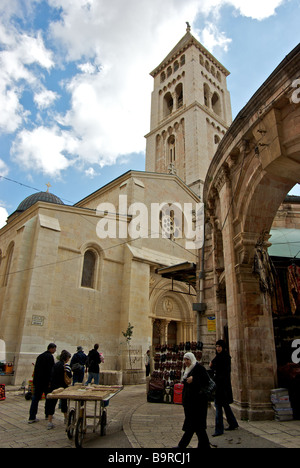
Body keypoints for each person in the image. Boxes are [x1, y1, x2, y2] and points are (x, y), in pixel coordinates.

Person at [176, 352, 211, 449]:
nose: (186, 361)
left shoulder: (199, 368)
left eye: (188, 359)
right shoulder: (187, 370)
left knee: (192, 426)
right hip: (190, 402)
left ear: (192, 359)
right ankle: (204, 445)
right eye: (185, 359)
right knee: (197, 427)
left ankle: (182, 445)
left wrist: (194, 379)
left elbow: (206, 380)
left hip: (198, 403)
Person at [209, 340, 239, 437]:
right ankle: (233, 423)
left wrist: (213, 367)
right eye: (217, 346)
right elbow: (213, 364)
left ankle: (219, 429)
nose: (218, 348)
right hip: (221, 385)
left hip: (222, 385)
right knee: (225, 405)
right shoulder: (219, 357)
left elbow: (219, 370)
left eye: (219, 346)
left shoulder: (225, 357)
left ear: (223, 347)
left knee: (218, 407)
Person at [28, 343, 56, 424]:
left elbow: (36, 369)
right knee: (49, 398)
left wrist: (35, 381)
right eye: (54, 349)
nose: (55, 350)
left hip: (38, 382)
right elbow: (51, 371)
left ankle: (32, 417)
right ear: (51, 348)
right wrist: (51, 381)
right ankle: (47, 414)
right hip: (46, 382)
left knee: (35, 399)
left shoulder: (40, 356)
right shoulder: (50, 357)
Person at [45, 350, 72, 430]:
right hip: (63, 387)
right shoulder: (66, 366)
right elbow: (70, 375)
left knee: (52, 404)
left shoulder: (55, 365)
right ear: (66, 358)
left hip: (54, 387)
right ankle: (66, 418)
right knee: (64, 403)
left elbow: (51, 375)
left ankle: (49, 422)